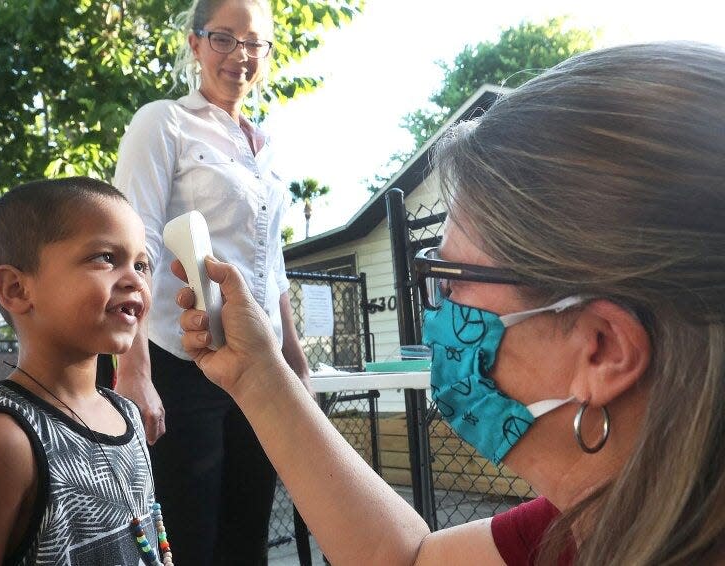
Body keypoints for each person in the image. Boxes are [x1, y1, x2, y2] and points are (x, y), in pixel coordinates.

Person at [174, 41, 725, 565]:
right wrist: (258, 373)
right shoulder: (597, 524)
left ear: (601, 349)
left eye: (449, 279)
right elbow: (406, 560)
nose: (439, 311)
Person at [112, 0, 312, 563]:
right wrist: (132, 369)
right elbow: (137, 243)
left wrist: (294, 363)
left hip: (259, 365)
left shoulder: (267, 148)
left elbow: (271, 262)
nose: (239, 56)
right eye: (223, 38)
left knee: (248, 536)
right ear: (196, 43)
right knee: (188, 539)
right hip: (183, 359)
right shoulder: (163, 122)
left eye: (254, 43)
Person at [0, 178, 171, 565]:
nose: (135, 279)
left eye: (142, 264)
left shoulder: (126, 415)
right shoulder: (3, 440)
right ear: (16, 288)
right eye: (106, 258)